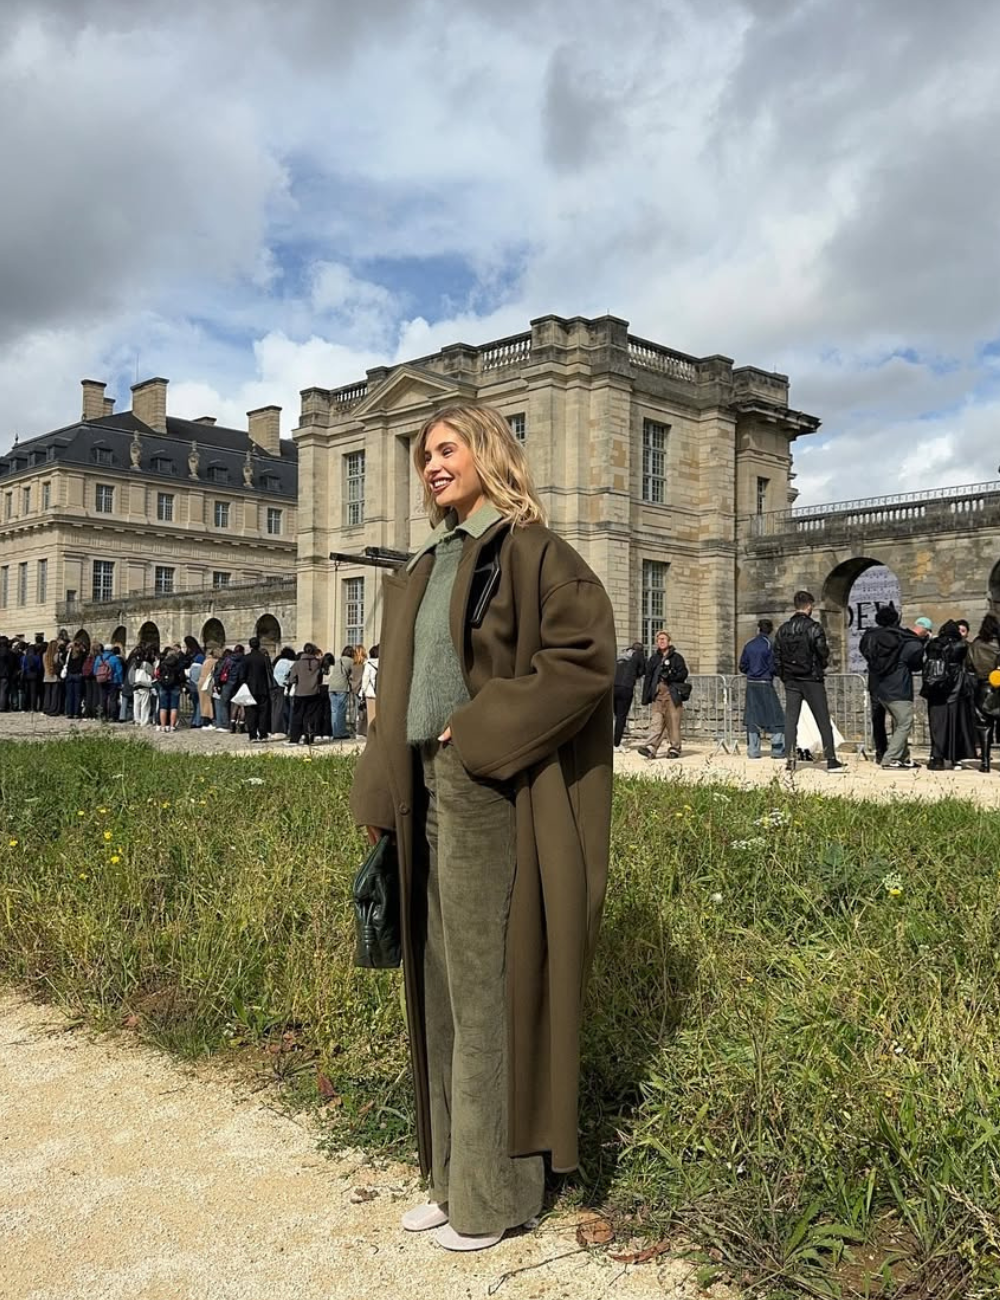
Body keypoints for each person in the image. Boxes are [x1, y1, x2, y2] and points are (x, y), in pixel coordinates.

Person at [350, 403, 614, 1252]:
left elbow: (584, 660)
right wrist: (380, 787)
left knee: (485, 985)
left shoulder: (532, 550)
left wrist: (481, 731)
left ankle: (495, 1194)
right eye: (424, 454)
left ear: (488, 455)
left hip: (482, 788)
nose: (431, 464)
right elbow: (399, 690)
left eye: (446, 448)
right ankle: (452, 1177)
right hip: (422, 789)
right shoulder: (427, 563)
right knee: (436, 984)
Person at [773, 590, 845, 774]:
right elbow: (822, 651)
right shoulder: (814, 627)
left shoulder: (783, 629)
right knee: (822, 719)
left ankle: (790, 759)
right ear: (809, 606)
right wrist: (820, 665)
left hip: (791, 680)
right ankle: (831, 759)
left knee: (791, 720)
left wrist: (784, 675)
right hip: (811, 677)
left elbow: (777, 657)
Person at [860, 606, 924, 769]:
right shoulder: (905, 639)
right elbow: (916, 663)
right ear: (897, 619)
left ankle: (903, 757)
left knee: (894, 722)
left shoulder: (870, 638)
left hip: (877, 687)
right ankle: (890, 758)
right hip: (898, 687)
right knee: (904, 722)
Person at [921, 619, 977, 770]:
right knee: (955, 724)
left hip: (935, 688)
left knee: (937, 725)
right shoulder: (961, 646)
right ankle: (955, 758)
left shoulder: (933, 644)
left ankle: (937, 758)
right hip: (955, 689)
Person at [637, 631, 688, 759]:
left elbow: (683, 674)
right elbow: (648, 678)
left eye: (664, 639)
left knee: (673, 723)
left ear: (669, 641)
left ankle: (675, 748)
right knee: (656, 722)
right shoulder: (654, 659)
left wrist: (671, 675)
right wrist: (646, 697)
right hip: (657, 695)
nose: (661, 641)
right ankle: (651, 747)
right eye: (659, 639)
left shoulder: (677, 658)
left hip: (672, 695)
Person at [738, 619, 785, 759]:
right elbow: (774, 665)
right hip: (765, 682)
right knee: (777, 717)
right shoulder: (770, 645)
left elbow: (742, 666)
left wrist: (751, 670)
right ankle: (777, 750)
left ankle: (753, 751)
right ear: (770, 630)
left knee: (753, 716)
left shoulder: (749, 644)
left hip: (751, 683)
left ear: (758, 629)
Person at [966, 613, 1000, 770]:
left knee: (984, 726)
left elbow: (969, 664)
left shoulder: (975, 644)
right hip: (997, 687)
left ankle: (985, 763)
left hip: (981, 687)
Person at [286, 643, 323, 745]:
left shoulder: (297, 664)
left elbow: (292, 678)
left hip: (300, 692)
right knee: (310, 716)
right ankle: (309, 737)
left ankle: (295, 738)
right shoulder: (317, 663)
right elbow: (320, 677)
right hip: (314, 692)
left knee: (298, 716)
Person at [612, 640, 646, 750]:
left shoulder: (621, 655)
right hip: (626, 687)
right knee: (621, 716)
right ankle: (616, 744)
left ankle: (608, 741)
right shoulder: (638, 655)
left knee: (612, 716)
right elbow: (642, 670)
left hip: (612, 686)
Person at [243, 637, 275, 743]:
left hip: (250, 689)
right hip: (263, 688)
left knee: (251, 712)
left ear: (250, 645)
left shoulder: (246, 658)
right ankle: (263, 733)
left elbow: (242, 675)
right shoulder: (264, 658)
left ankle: (252, 735)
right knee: (263, 712)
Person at [325, 645, 354, 739]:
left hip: (331, 687)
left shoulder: (338, 660)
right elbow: (352, 675)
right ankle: (341, 732)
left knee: (334, 711)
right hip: (342, 687)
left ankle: (335, 731)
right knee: (341, 711)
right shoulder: (351, 662)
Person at [155, 645, 186, 732]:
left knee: (163, 707)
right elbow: (182, 677)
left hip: (163, 686)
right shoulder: (178, 664)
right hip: (175, 685)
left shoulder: (163, 663)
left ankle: (163, 726)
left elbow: (158, 674)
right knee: (174, 707)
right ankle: (172, 726)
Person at [271, 646, 296, 736]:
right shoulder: (291, 663)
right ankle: (279, 730)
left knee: (274, 708)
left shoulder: (279, 661)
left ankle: (274, 729)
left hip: (274, 685)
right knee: (281, 709)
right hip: (282, 687)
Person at [359, 642, 380, 727]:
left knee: (371, 716)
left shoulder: (368, 664)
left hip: (370, 692)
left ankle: (372, 734)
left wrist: (362, 692)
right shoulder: (383, 663)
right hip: (381, 692)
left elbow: (365, 679)